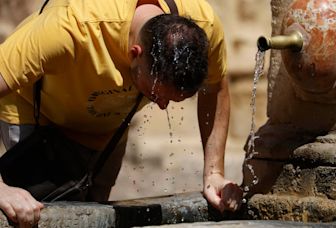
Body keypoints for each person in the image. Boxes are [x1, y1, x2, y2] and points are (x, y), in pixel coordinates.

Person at [0, 0, 243, 226]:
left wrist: (214, 174)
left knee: (95, 217)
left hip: (107, 122)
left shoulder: (204, 29)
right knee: (26, 213)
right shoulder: (73, 26)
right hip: (37, 114)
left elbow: (216, 88)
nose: (162, 106)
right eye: (156, 94)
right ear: (135, 53)